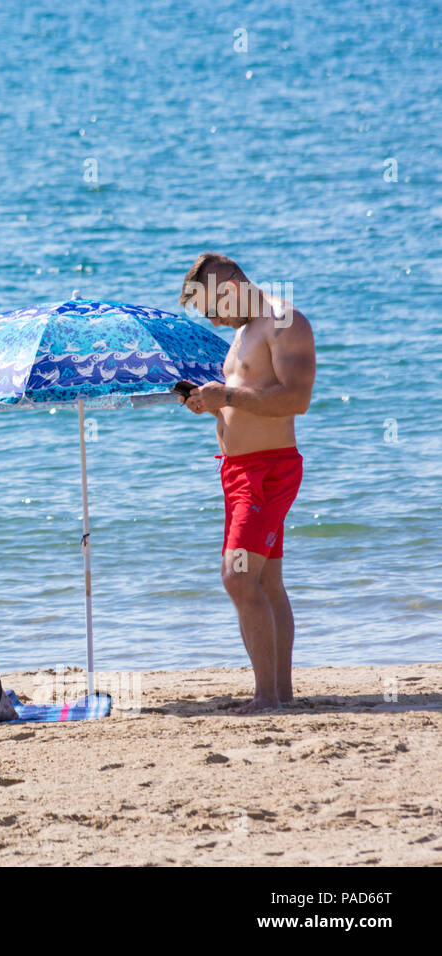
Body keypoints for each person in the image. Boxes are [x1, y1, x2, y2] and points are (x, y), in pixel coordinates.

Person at [178, 253, 316, 714]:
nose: (212, 318)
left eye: (213, 306)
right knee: (265, 581)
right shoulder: (240, 337)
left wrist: (229, 395)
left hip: (267, 471)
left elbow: (297, 399)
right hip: (237, 471)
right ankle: (279, 695)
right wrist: (211, 404)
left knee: (237, 577)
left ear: (233, 283)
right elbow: (244, 404)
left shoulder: (284, 321)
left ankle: (265, 697)